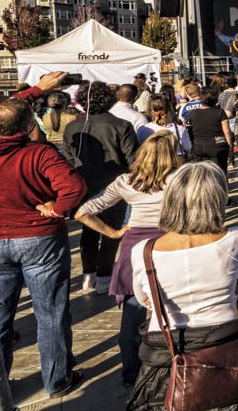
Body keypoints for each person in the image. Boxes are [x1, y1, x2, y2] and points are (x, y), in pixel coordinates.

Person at [128, 162, 238, 411]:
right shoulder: (236, 239)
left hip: (164, 360)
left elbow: (144, 299)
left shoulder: (145, 252)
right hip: (223, 355)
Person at [0, 96, 88, 396]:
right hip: (40, 238)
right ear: (29, 126)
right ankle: (57, 379)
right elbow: (74, 187)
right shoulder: (40, 153)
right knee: (50, 312)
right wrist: (58, 210)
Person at [75, 131, 182, 386]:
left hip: (135, 249)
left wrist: (112, 232)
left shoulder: (126, 181)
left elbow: (83, 211)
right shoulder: (181, 179)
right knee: (176, 310)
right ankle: (174, 363)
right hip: (172, 244)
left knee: (132, 315)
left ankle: (131, 372)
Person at [63, 81, 139, 293]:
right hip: (114, 185)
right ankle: (104, 275)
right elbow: (133, 159)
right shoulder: (121, 125)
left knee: (88, 230)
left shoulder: (72, 127)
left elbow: (68, 159)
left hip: (83, 184)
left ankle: (89, 274)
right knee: (111, 231)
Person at [188, 85, 234, 175]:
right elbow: (227, 132)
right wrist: (230, 144)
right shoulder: (220, 112)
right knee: (220, 171)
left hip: (199, 146)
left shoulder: (193, 113)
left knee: (202, 173)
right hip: (217, 145)